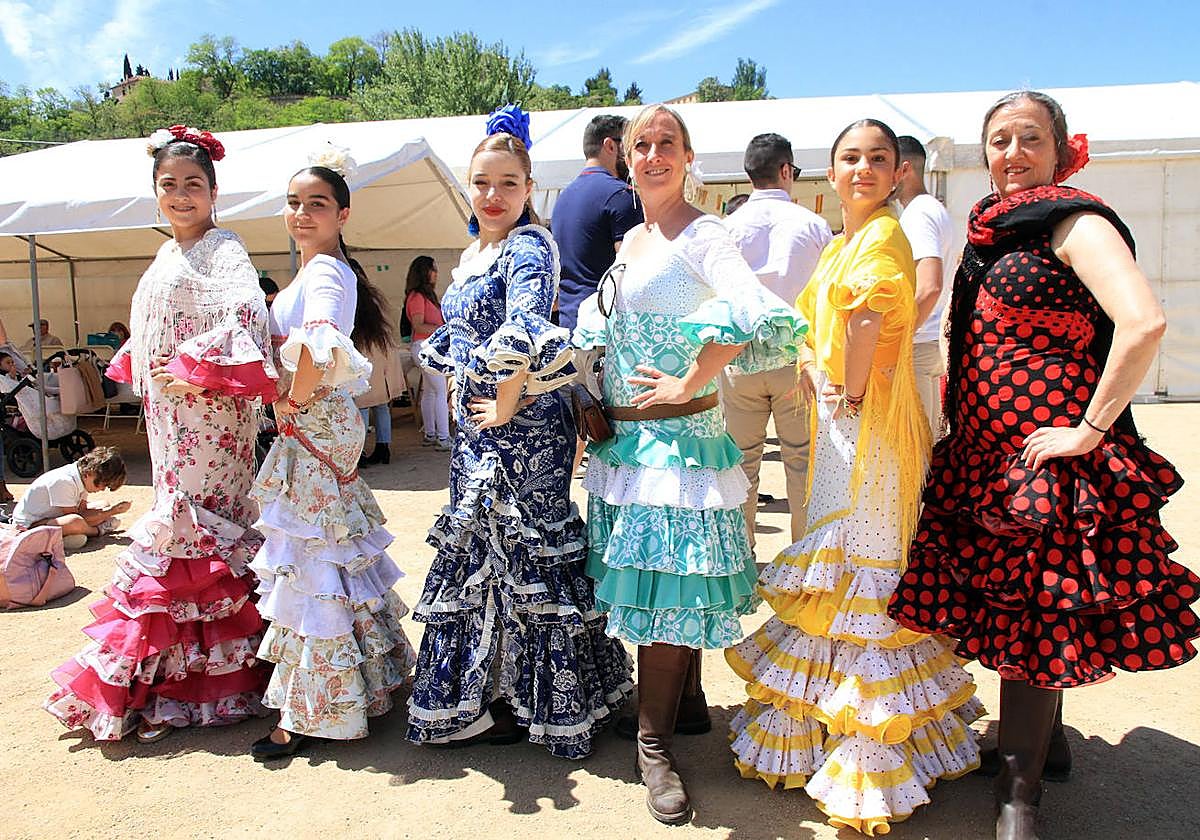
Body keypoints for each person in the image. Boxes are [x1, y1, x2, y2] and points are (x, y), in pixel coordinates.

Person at [888, 91, 1198, 840]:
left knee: (1034, 615)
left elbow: (1143, 321)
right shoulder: (994, 230)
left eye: (1030, 138)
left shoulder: (1075, 222)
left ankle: (1018, 793)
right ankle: (1043, 741)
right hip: (988, 458)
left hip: (1048, 469)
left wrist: (1088, 430)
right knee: (1011, 613)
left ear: (1063, 150)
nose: (1012, 153)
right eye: (999, 140)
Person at [726, 119, 983, 836]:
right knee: (849, 561)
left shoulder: (882, 238)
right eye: (851, 158)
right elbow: (814, 323)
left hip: (870, 425)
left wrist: (852, 386)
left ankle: (868, 745)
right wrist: (817, 369)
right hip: (849, 421)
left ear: (897, 169)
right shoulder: (841, 241)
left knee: (861, 564)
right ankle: (838, 727)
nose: (864, 168)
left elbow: (868, 316)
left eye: (877, 158)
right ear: (829, 174)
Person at [576, 104, 804, 825]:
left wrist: (694, 378)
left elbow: (752, 309)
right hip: (626, 443)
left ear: (688, 155)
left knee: (670, 589)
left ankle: (653, 746)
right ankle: (689, 706)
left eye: (665, 144)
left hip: (676, 442)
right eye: (640, 145)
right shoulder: (634, 236)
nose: (650, 156)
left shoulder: (705, 232)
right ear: (627, 155)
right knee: (665, 585)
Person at [407, 105, 632, 759]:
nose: (493, 195)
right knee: (485, 557)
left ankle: (543, 701)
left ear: (528, 188)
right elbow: (469, 333)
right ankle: (494, 693)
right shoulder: (476, 250)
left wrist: (505, 401)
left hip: (523, 427)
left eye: (508, 183)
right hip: (482, 429)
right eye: (482, 183)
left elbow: (529, 324)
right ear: (468, 187)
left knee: (525, 553)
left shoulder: (530, 245)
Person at [45, 124, 276, 743]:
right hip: (169, 421)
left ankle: (221, 673)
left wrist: (192, 372)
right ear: (154, 191)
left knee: (204, 521)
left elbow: (246, 314)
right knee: (176, 516)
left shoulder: (224, 249)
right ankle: (176, 670)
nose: (181, 195)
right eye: (169, 185)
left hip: (210, 414)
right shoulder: (165, 255)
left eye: (193, 185)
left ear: (214, 192)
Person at [248, 153, 416, 760]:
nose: (302, 213)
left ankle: (313, 709)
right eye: (294, 202)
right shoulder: (321, 269)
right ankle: (359, 688)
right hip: (322, 425)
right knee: (329, 554)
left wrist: (289, 400)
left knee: (314, 559)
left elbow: (319, 349)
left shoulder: (324, 274)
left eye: (316, 203)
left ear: (342, 214)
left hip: (314, 424)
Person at [722, 132, 832, 547]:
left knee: (741, 465)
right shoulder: (814, 226)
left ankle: (741, 564)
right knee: (803, 466)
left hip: (738, 358)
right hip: (798, 359)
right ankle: (802, 568)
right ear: (786, 171)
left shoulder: (727, 229)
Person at [551, 114, 643, 333]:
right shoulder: (621, 195)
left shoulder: (563, 198)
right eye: (628, 146)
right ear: (610, 145)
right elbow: (632, 271)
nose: (632, 155)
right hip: (604, 329)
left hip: (568, 325)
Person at [895, 135, 954, 437]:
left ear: (903, 169)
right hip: (927, 341)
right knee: (928, 442)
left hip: (916, 343)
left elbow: (929, 285)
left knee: (915, 447)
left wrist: (898, 338)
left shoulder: (918, 214)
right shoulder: (930, 208)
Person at [10, 446, 129, 547]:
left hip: (50, 518)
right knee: (75, 522)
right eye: (102, 484)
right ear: (90, 473)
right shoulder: (64, 482)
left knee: (103, 504)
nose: (102, 489)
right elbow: (78, 517)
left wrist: (106, 512)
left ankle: (74, 534)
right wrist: (111, 512)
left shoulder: (81, 476)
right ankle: (98, 530)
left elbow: (82, 511)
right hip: (29, 528)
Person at [403, 255, 450, 449]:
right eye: (434, 269)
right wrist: (444, 329)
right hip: (424, 346)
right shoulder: (417, 296)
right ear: (425, 272)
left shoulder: (424, 296)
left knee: (430, 392)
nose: (436, 273)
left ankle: (431, 434)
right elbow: (418, 324)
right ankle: (444, 437)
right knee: (440, 391)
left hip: (425, 346)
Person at [354, 281, 401, 467]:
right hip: (380, 351)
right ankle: (384, 448)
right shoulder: (374, 299)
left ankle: (360, 452)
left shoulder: (349, 296)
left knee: (362, 405)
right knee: (381, 405)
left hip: (361, 352)